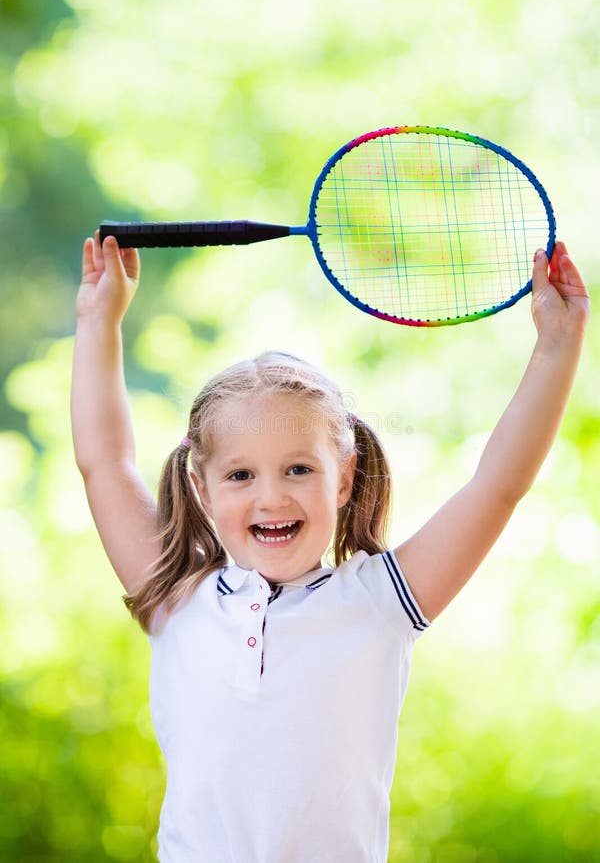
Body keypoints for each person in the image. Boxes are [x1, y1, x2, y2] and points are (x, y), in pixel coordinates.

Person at [71, 231, 589, 863]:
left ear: (343, 477)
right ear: (201, 490)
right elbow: (104, 462)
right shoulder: (178, 596)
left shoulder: (380, 601)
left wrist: (559, 345)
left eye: (298, 470)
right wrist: (100, 319)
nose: (272, 498)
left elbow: (498, 486)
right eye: (240, 475)